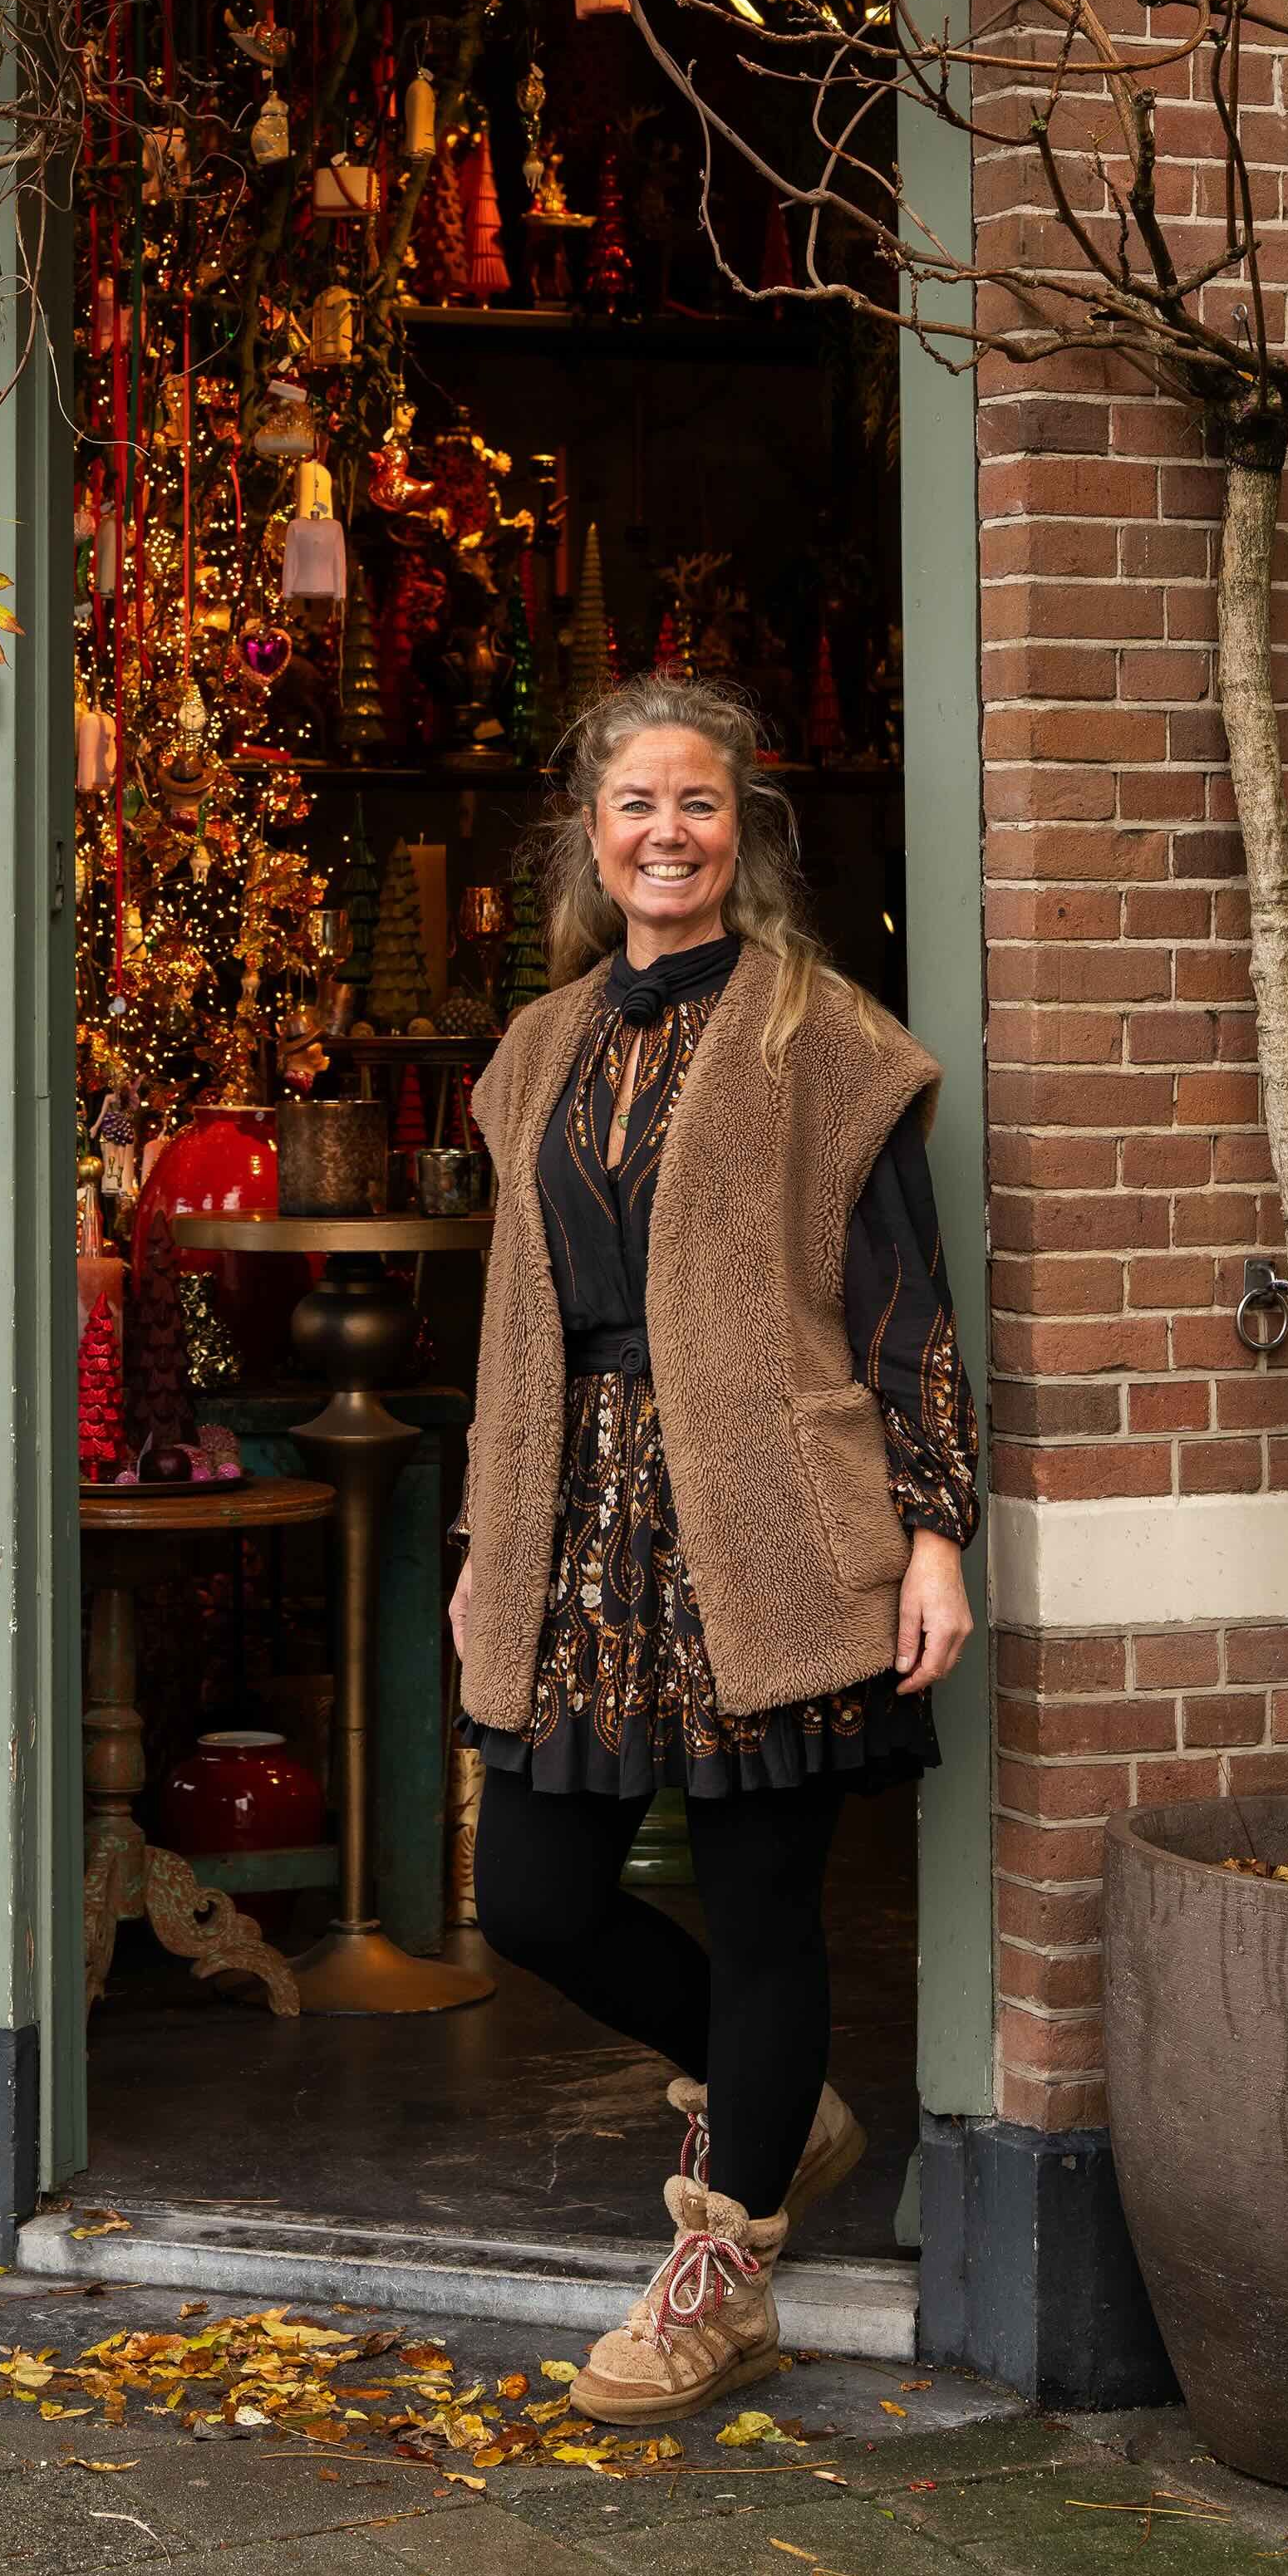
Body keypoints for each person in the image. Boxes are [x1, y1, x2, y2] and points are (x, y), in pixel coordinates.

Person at [449, 675, 978, 2423]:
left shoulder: (825, 1040)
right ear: (588, 839)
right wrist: (481, 1541)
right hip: (577, 1515)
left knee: (764, 1917)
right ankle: (775, 2103)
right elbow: (515, 1321)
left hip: (774, 1514)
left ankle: (723, 2274)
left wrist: (934, 1533)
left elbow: (906, 1308)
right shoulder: (537, 1049)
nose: (666, 834)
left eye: (699, 804)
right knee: (531, 1896)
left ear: (741, 832)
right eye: (633, 806)